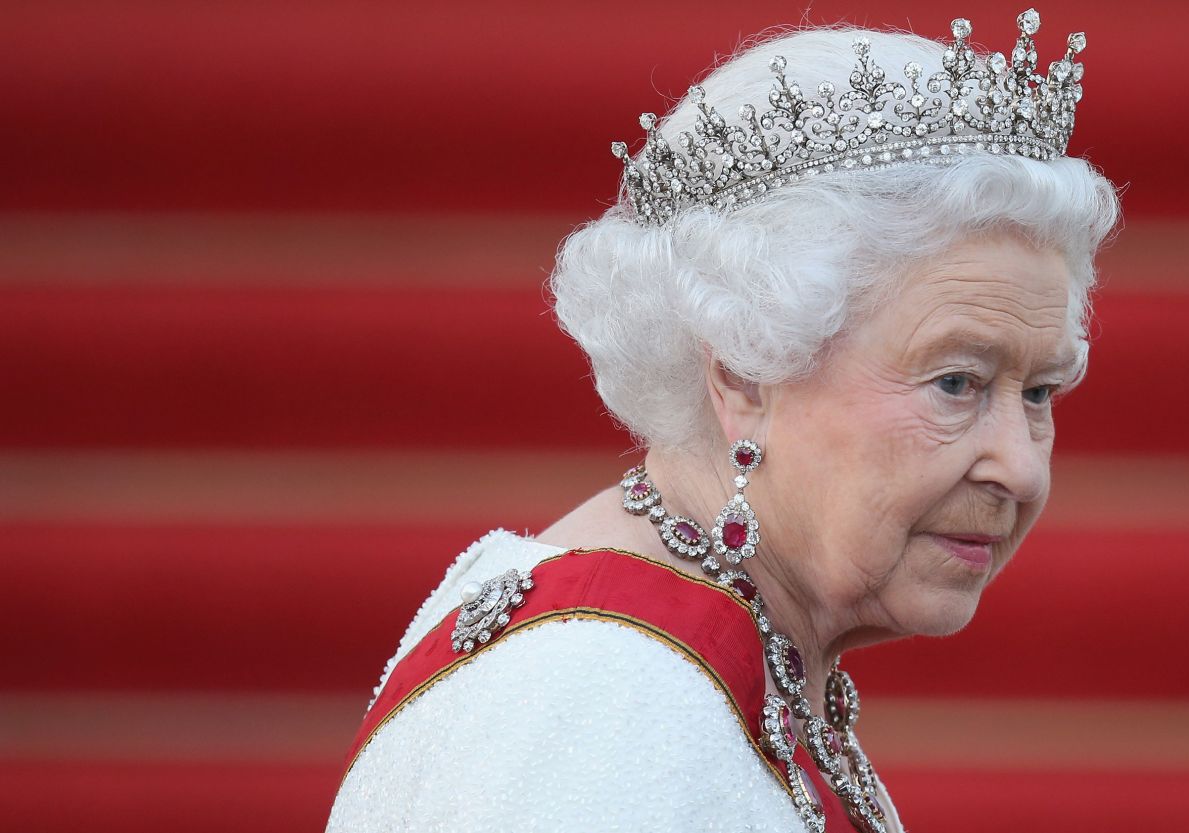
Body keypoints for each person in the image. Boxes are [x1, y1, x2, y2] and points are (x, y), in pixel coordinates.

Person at [328, 9, 1119, 832]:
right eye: (957, 382)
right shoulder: (604, 711)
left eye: (1039, 394)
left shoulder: (709, 661)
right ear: (745, 366)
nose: (1021, 468)